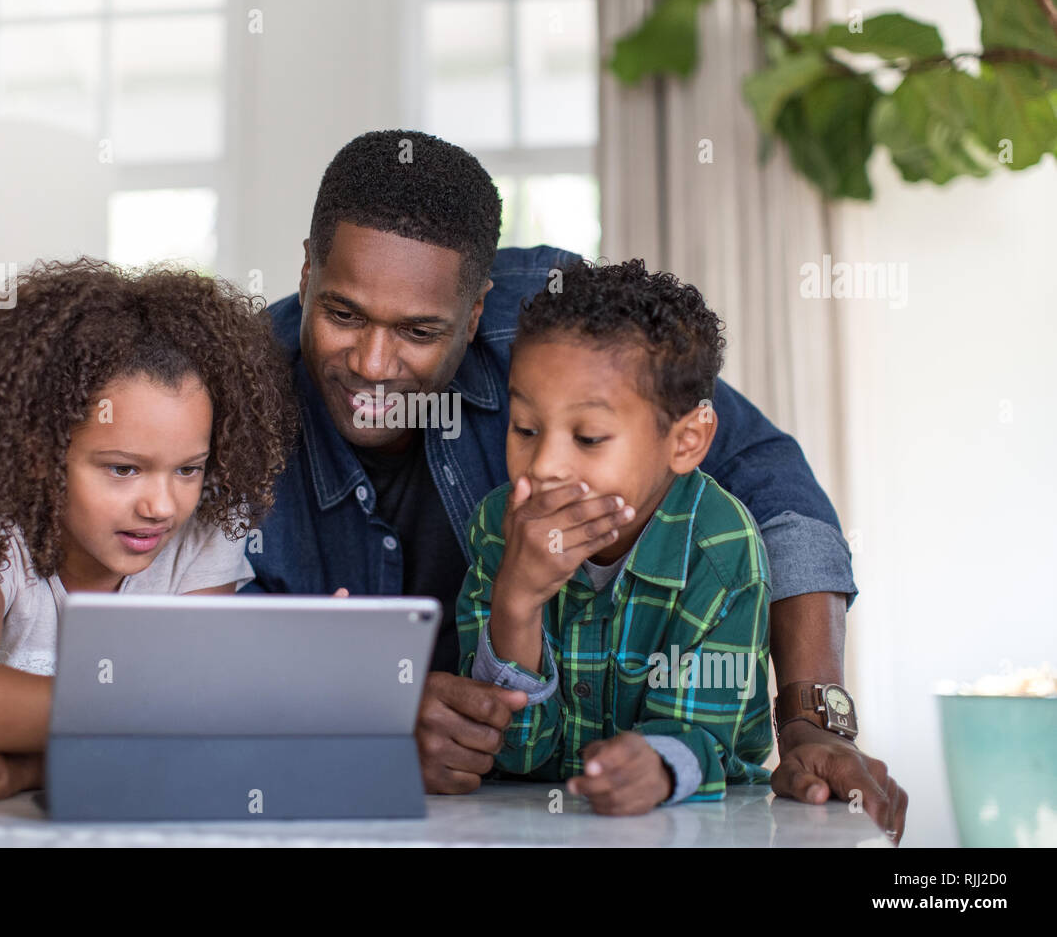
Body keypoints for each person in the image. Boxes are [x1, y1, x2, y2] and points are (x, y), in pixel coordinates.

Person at [244, 128, 907, 840]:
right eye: (343, 314)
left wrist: (812, 723)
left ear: (474, 314)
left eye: (419, 331)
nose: (373, 364)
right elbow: (188, 656)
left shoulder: (552, 332)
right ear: (308, 271)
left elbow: (771, 481)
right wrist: (359, 720)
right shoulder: (232, 391)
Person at [0, 260, 296, 804]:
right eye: (122, 469)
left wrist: (21, 768)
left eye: (188, 468)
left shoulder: (202, 539)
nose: (161, 505)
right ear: (40, 453)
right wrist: (162, 709)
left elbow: (183, 743)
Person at [456, 258, 770, 814]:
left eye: (590, 437)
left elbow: (707, 742)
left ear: (686, 441)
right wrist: (517, 601)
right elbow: (514, 753)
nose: (545, 465)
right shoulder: (497, 526)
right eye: (525, 428)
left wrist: (657, 765)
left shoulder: (721, 550)